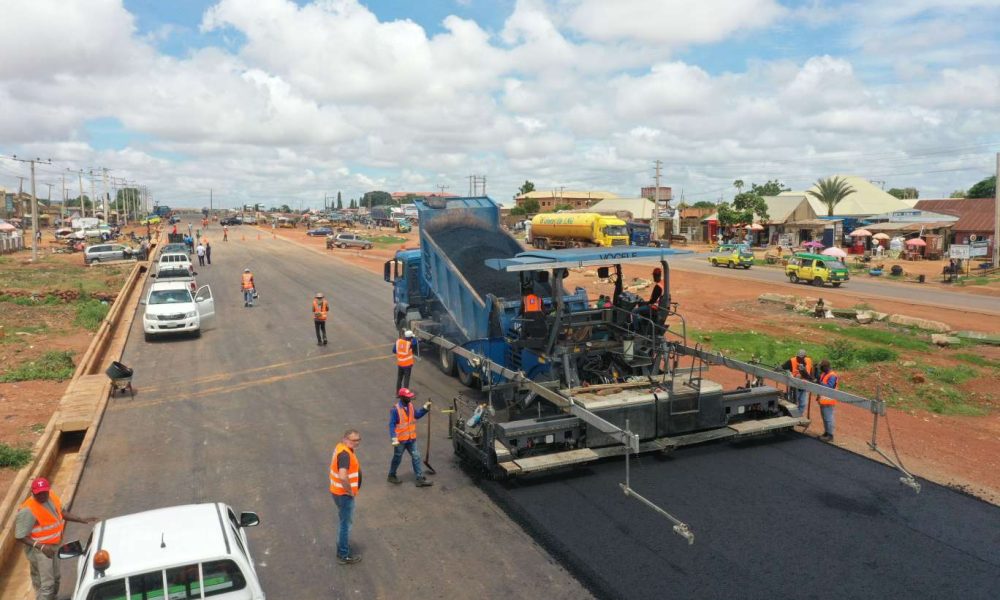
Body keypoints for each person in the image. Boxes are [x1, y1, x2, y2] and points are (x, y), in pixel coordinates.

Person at [15, 477, 98, 600]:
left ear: (48, 490)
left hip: (53, 546)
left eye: (44, 492)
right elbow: (19, 536)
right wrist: (42, 547)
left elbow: (61, 512)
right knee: (47, 585)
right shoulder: (28, 510)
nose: (42, 495)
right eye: (39, 493)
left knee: (56, 578)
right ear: (33, 492)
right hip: (40, 550)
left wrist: (81, 519)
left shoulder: (52, 497)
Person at [387, 388, 433, 487]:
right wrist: (394, 438)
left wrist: (425, 408)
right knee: (397, 458)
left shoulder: (410, 405)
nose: (410, 398)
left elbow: (416, 415)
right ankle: (391, 475)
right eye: (408, 397)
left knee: (416, 456)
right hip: (401, 440)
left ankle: (419, 478)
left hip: (411, 439)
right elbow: (392, 424)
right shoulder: (395, 410)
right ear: (402, 397)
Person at [329, 430, 362, 565]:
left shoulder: (341, 447)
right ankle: (343, 554)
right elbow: (343, 476)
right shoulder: (345, 455)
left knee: (343, 521)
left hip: (337, 492)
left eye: (358, 440)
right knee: (345, 524)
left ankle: (341, 549)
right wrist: (350, 491)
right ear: (345, 439)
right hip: (344, 495)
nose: (356, 442)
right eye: (353, 440)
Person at [781, 349, 815, 414]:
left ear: (805, 357)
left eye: (802, 358)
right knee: (793, 403)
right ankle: (791, 415)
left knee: (803, 404)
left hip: (804, 386)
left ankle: (798, 416)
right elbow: (782, 367)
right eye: (798, 357)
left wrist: (812, 379)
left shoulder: (808, 360)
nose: (800, 359)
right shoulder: (792, 361)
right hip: (795, 386)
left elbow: (811, 370)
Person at [817, 359, 838, 441]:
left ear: (826, 367)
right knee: (825, 418)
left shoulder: (832, 375)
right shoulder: (824, 374)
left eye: (821, 367)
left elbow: (830, 387)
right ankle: (826, 432)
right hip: (823, 400)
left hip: (829, 401)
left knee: (828, 418)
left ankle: (830, 435)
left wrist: (819, 382)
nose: (820, 369)